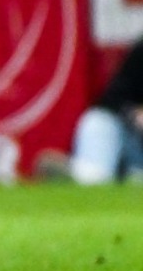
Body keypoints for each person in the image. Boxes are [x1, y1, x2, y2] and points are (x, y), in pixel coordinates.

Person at [39, 37, 143, 184]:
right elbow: (112, 98)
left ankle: (122, 176)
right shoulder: (141, 51)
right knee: (98, 120)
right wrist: (135, 113)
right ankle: (90, 174)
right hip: (133, 138)